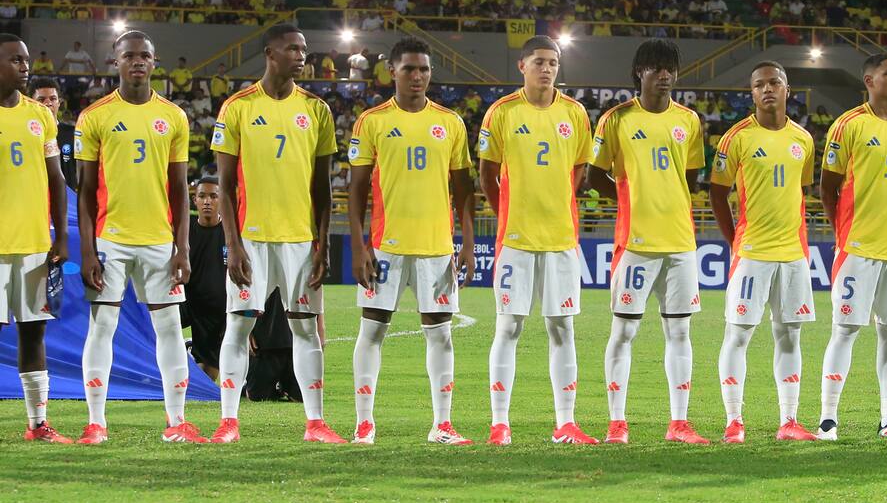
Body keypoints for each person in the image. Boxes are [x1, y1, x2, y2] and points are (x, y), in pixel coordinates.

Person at [209, 23, 343, 444]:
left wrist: (320, 244)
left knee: (306, 329)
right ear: (270, 53)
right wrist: (233, 245)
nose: (302, 56)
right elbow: (225, 187)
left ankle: (315, 423)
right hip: (252, 238)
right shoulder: (237, 107)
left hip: (300, 242)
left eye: (304, 49)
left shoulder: (317, 110)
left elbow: (323, 189)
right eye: (293, 49)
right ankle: (229, 421)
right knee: (239, 327)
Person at [75, 30, 205, 444]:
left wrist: (181, 247)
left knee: (169, 328)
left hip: (158, 241)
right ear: (115, 62)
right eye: (129, 56)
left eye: (144, 56)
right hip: (110, 238)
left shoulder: (174, 117)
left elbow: (180, 189)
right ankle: (96, 423)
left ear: (155, 61)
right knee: (102, 327)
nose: (137, 62)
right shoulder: (94, 116)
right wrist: (88, 250)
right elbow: (84, 189)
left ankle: (177, 421)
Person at [347, 36, 475, 445]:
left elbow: (464, 192)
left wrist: (467, 243)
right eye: (409, 69)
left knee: (440, 333)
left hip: (437, 247)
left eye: (423, 70)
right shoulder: (372, 121)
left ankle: (442, 424)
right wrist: (358, 245)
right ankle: (364, 423)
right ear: (393, 73)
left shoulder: (451, 123)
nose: (417, 76)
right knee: (372, 331)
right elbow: (357, 190)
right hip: (386, 246)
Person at [587, 38, 708, 445]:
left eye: (670, 68)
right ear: (640, 72)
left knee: (679, 333)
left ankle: (679, 423)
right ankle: (617, 424)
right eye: (656, 67)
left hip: (679, 244)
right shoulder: (616, 119)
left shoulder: (689, 121)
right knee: (623, 332)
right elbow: (594, 176)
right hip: (635, 244)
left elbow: (690, 179)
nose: (665, 75)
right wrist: (629, 201)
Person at [480, 36, 597, 445]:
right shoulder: (502, 112)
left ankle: (565, 422)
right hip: (516, 240)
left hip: (562, 241)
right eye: (539, 62)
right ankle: (500, 423)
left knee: (562, 327)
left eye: (553, 62)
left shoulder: (576, 113)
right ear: (522, 66)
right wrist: (508, 216)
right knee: (508, 326)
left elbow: (580, 167)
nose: (547, 69)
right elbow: (486, 172)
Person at [817, 53, 887, 440]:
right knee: (845, 329)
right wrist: (843, 232)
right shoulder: (848, 125)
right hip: (858, 248)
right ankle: (828, 419)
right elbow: (827, 188)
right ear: (869, 80)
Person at [709, 61, 818, 443]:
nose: (768, 89)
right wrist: (733, 240)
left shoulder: (803, 139)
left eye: (775, 82)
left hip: (792, 254)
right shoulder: (736, 138)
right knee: (738, 335)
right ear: (751, 93)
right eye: (759, 85)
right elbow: (717, 192)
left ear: (788, 89)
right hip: (752, 253)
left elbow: (801, 191)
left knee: (789, 336)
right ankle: (734, 421)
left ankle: (789, 421)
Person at [0, 35, 72, 443]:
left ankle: (37, 424)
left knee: (33, 332)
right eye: (15, 60)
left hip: (33, 246)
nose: (25, 67)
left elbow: (57, 180)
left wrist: (60, 237)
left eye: (26, 60)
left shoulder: (40, 116)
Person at [184, 176, 226, 381]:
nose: (207, 201)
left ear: (221, 200)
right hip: (188, 304)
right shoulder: (185, 231)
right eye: (202, 196)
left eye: (213, 196)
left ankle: (191, 354)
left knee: (208, 377)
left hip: (218, 312)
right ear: (195, 201)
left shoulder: (230, 234)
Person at [30, 76, 77, 190]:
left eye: (53, 99)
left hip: (68, 200)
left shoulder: (73, 133)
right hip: (35, 196)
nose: (48, 103)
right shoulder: (24, 135)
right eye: (41, 100)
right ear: (30, 102)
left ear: (59, 103)